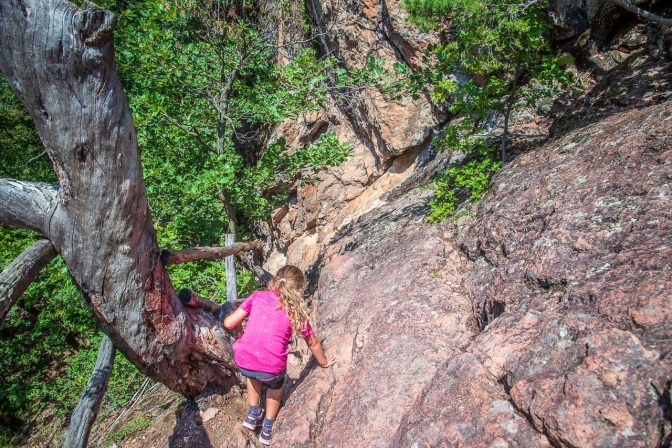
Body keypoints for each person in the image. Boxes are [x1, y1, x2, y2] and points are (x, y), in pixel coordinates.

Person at [224, 265, 335, 446]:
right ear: (298, 289)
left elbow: (229, 323)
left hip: (244, 359)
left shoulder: (257, 296)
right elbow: (313, 343)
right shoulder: (296, 311)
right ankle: (267, 427)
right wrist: (323, 362)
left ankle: (253, 413)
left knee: (253, 373)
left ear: (275, 281)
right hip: (271, 367)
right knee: (275, 386)